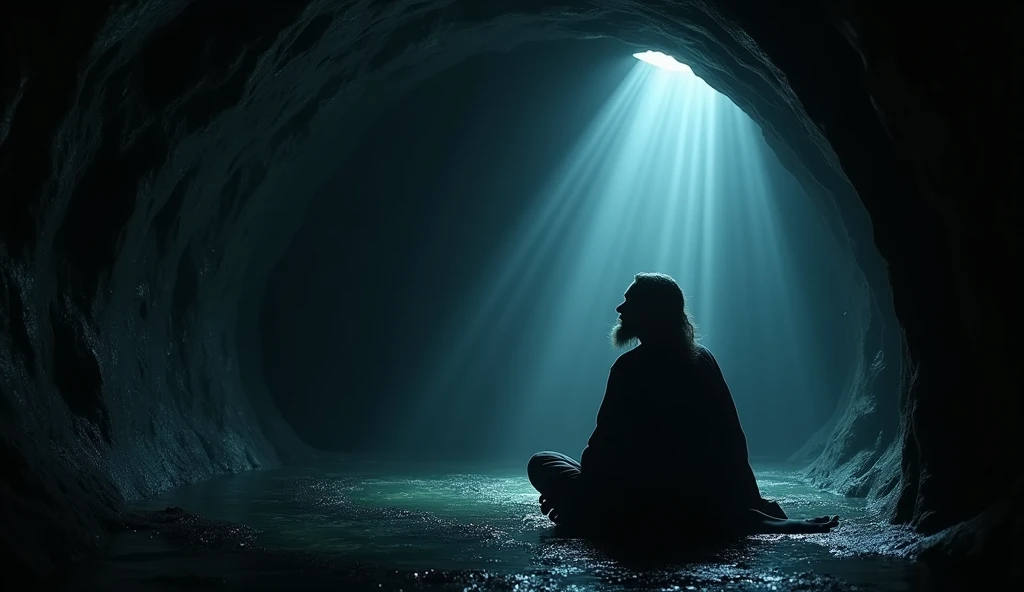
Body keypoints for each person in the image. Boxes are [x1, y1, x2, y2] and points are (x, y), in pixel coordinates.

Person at [527, 272, 839, 538]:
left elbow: (601, 451)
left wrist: (571, 498)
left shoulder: (629, 368)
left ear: (650, 311)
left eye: (630, 302)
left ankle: (595, 518)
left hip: (640, 501)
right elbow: (732, 437)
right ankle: (746, 517)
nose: (619, 309)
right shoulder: (702, 358)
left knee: (542, 461)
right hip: (702, 495)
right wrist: (751, 498)